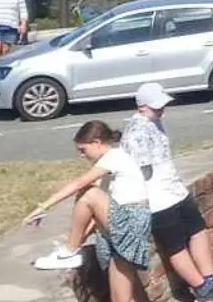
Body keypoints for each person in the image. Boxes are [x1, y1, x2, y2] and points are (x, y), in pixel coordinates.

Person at [123, 83, 213, 302]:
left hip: (176, 191)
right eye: (156, 107)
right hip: (158, 200)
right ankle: (202, 290)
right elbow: (141, 170)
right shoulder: (136, 131)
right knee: (175, 246)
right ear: (141, 107)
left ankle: (211, 281)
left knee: (198, 230)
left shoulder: (154, 122)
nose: (162, 110)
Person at [26, 120, 155, 302]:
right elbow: (96, 216)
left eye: (83, 150)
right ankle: (70, 250)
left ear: (97, 142)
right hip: (127, 225)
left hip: (131, 221)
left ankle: (68, 253)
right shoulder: (111, 170)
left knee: (89, 193)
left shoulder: (113, 157)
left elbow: (80, 183)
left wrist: (42, 207)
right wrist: (80, 240)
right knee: (126, 294)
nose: (81, 155)